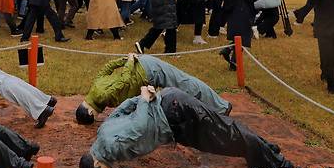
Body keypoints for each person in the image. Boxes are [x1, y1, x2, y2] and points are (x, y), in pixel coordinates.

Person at [78, 86, 293, 168]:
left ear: (96, 163)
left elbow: (139, 126)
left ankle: (278, 166)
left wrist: (145, 100)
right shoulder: (102, 132)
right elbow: (123, 108)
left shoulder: (110, 149)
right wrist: (146, 97)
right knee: (225, 136)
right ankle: (266, 153)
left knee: (228, 135)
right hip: (172, 109)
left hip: (177, 115)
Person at [75, 54, 230, 124]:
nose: (99, 114)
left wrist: (129, 62)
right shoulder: (94, 89)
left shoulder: (101, 97)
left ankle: (221, 106)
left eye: (95, 116)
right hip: (144, 70)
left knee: (184, 82)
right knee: (181, 84)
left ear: (89, 111)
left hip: (148, 70)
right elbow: (106, 68)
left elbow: (124, 81)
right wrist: (124, 60)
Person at [220, 0, 266, 70]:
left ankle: (229, 53)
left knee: (239, 37)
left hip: (236, 9)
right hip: (242, 10)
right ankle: (234, 62)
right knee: (243, 37)